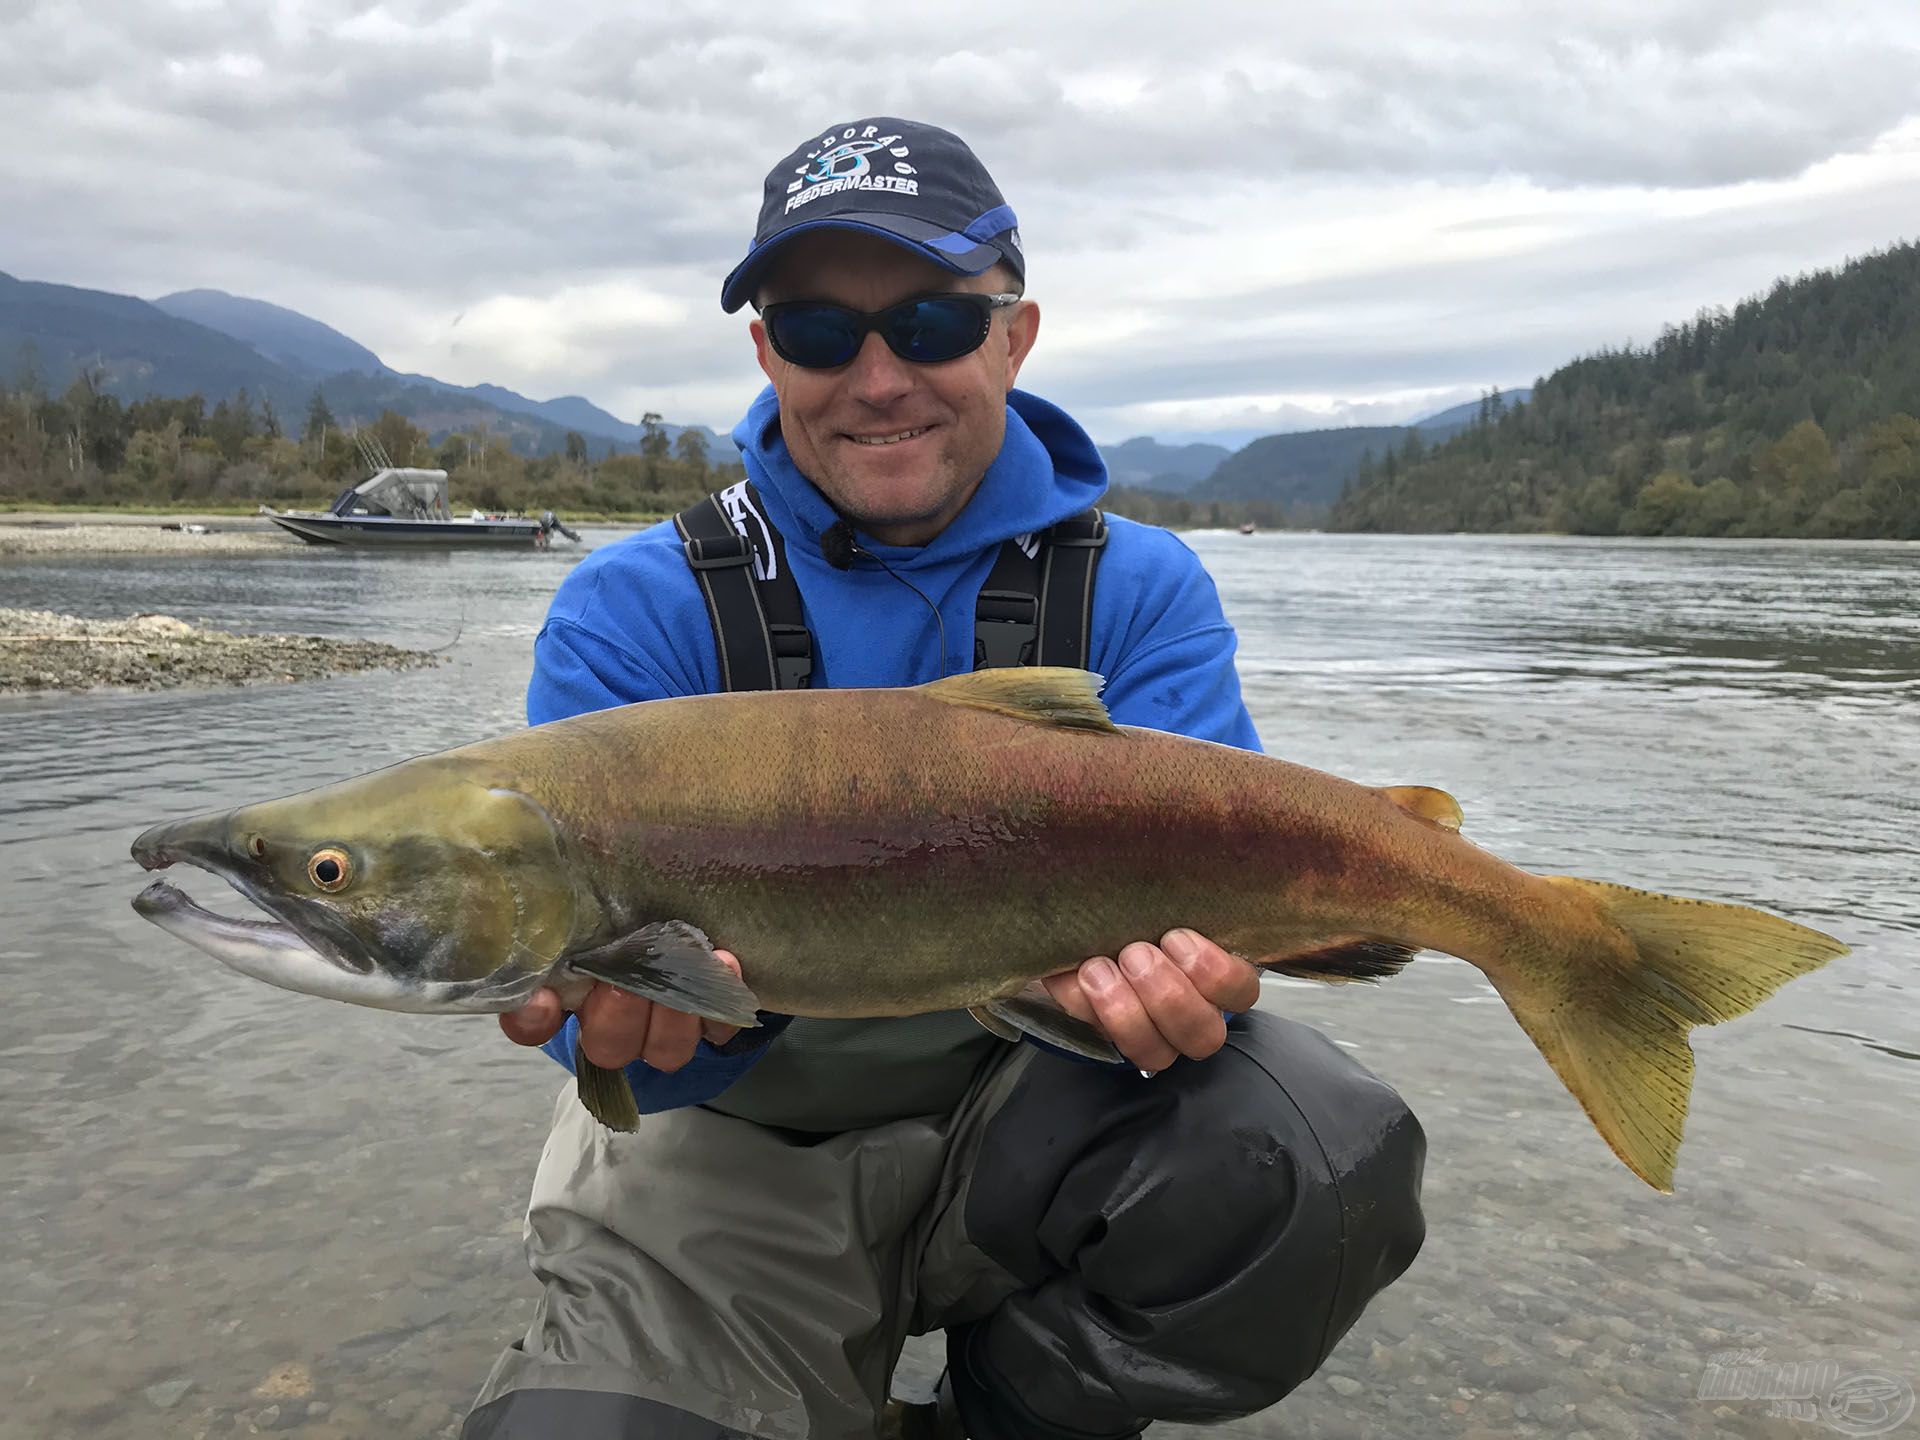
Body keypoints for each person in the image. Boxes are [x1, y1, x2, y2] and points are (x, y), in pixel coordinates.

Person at [463, 117, 1425, 1440]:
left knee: (1309, 1144)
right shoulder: (634, 610)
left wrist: (1214, 979)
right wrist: (638, 1035)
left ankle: (995, 1419)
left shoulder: (1139, 590)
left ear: (1014, 336)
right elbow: (604, 1048)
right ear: (764, 354)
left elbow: (1227, 922)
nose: (877, 377)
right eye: (817, 332)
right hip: (724, 1167)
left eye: (929, 324)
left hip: (1031, 1137)